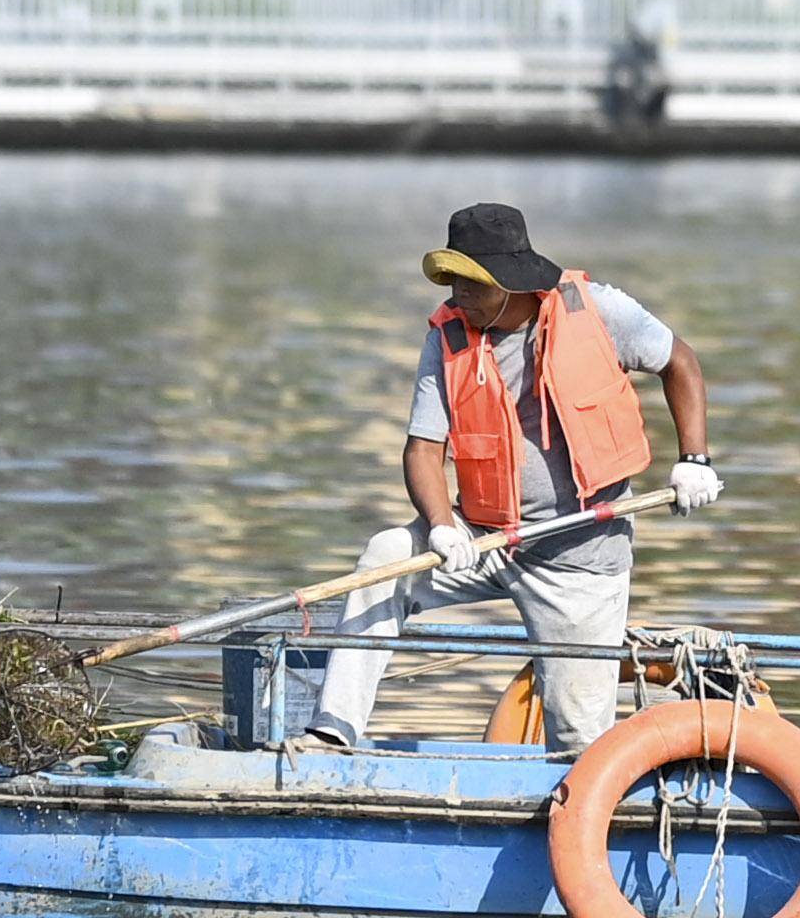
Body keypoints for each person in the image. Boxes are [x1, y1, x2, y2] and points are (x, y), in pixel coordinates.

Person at [298, 201, 717, 754]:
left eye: (469, 284)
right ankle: (334, 731)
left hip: (580, 556)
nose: (455, 297)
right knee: (385, 555)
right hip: (483, 538)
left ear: (508, 283)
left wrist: (695, 459)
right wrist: (442, 526)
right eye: (451, 282)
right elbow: (423, 449)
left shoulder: (597, 312)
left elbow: (680, 362)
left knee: (579, 743)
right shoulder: (447, 338)